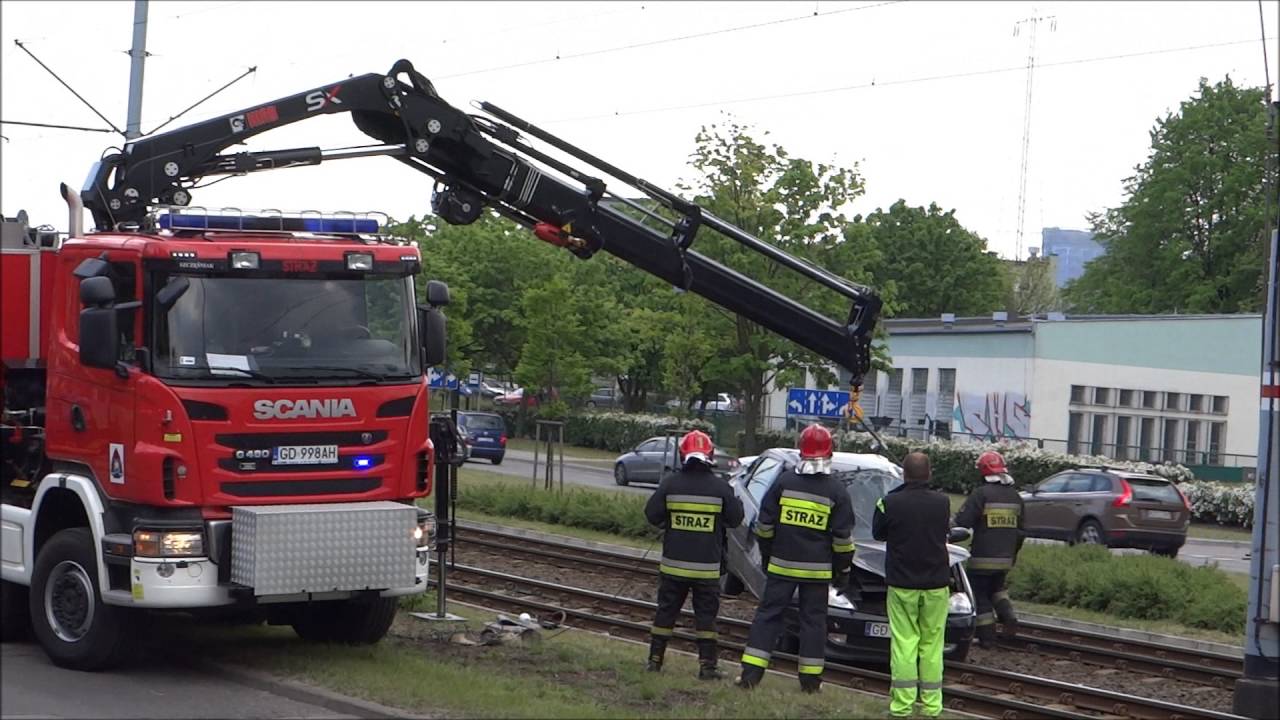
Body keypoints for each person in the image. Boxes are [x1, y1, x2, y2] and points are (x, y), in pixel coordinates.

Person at [735, 424, 855, 694]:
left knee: (768, 616)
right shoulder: (836, 491)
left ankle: (750, 676)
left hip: (781, 565)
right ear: (829, 452)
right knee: (814, 623)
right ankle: (811, 683)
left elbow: (764, 527)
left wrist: (768, 557)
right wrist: (841, 572)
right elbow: (843, 541)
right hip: (818, 572)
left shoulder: (783, 482)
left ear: (802, 451)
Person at [643, 430, 744, 680]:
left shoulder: (670, 483)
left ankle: (655, 662)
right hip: (706, 569)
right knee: (706, 620)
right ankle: (707, 668)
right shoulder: (721, 488)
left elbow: (652, 515)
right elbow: (735, 519)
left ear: (682, 455)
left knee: (665, 614)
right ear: (709, 455)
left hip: (673, 567)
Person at [872, 451, 952, 718]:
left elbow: (878, 532)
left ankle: (902, 706)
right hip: (936, 584)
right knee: (931, 644)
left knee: (904, 643)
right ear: (929, 474)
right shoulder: (943, 502)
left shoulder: (889, 502)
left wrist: (899, 491)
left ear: (904, 474)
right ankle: (932, 706)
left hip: (902, 583)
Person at [953, 450, 1024, 647]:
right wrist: (1012, 556)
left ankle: (987, 637)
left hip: (982, 558)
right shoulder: (1015, 496)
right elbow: (1021, 531)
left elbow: (963, 522)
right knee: (997, 589)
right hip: (1006, 558)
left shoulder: (981, 494)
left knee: (979, 593)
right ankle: (1008, 616)